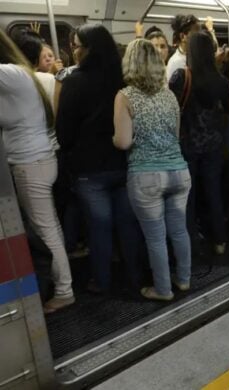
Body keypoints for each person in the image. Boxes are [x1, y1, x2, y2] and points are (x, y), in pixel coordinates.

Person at [56, 24, 144, 293]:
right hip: (122, 162)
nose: (74, 51)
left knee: (99, 228)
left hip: (88, 169)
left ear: (89, 49)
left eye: (77, 46)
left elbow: (64, 131)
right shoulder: (125, 79)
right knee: (127, 225)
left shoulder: (73, 82)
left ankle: (102, 282)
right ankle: (135, 277)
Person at [0, 29, 74, 313]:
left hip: (31, 164)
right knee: (49, 229)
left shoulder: (13, 75)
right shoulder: (24, 77)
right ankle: (63, 285)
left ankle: (65, 290)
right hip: (39, 160)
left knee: (46, 232)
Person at [114, 39, 192, 300]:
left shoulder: (125, 96)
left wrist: (114, 139)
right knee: (179, 231)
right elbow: (176, 135)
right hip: (179, 172)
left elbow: (123, 142)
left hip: (146, 176)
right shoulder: (169, 95)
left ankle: (162, 289)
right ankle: (183, 279)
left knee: (156, 238)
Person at [169, 31, 229, 255]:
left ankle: (191, 243)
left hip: (188, 145)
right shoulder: (221, 81)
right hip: (214, 145)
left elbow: (171, 109)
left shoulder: (180, 76)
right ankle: (220, 241)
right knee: (214, 191)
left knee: (188, 196)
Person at [166, 14, 200, 80]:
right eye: (196, 35)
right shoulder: (177, 62)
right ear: (182, 36)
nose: (201, 37)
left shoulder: (192, 57)